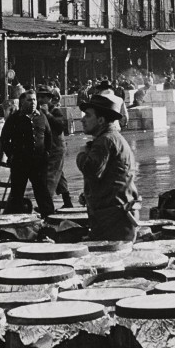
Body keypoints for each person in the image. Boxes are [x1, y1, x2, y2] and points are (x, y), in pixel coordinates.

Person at [75, 90, 140, 244]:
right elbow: (110, 177)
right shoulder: (111, 138)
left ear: (101, 120)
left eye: (88, 115)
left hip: (113, 219)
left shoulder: (105, 140)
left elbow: (91, 170)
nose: (83, 120)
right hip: (116, 215)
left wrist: (81, 154)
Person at [0, 90, 54, 216]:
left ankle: (49, 219)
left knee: (42, 192)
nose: (33, 102)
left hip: (39, 163)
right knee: (17, 193)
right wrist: (11, 155)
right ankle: (16, 221)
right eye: (29, 100)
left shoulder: (41, 116)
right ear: (22, 102)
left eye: (34, 100)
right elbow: (4, 139)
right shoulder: (14, 119)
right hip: (20, 162)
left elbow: (49, 136)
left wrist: (46, 153)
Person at [39, 90, 74, 208]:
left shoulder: (55, 111)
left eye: (44, 97)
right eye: (39, 97)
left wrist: (48, 114)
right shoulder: (38, 112)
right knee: (59, 174)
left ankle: (46, 204)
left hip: (56, 148)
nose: (41, 99)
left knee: (50, 175)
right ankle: (67, 201)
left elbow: (60, 126)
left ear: (50, 99)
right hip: (49, 147)